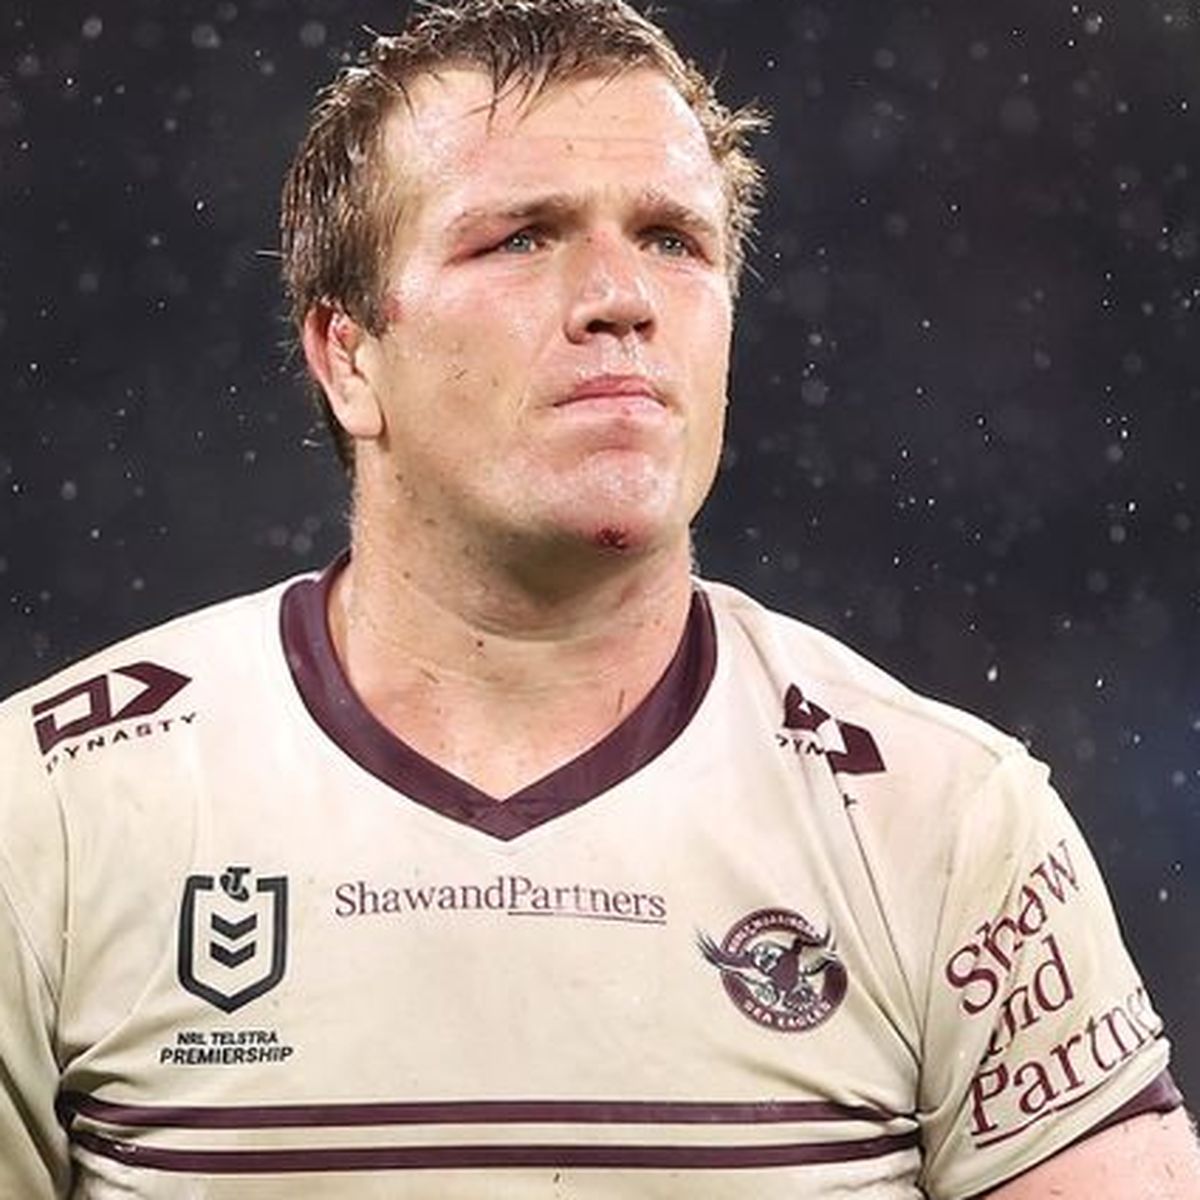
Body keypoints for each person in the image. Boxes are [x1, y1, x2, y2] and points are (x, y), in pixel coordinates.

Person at [1, 0, 1197, 1196]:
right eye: (521, 237)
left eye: (676, 240)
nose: (622, 296)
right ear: (348, 357)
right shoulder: (51, 814)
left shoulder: (946, 823)